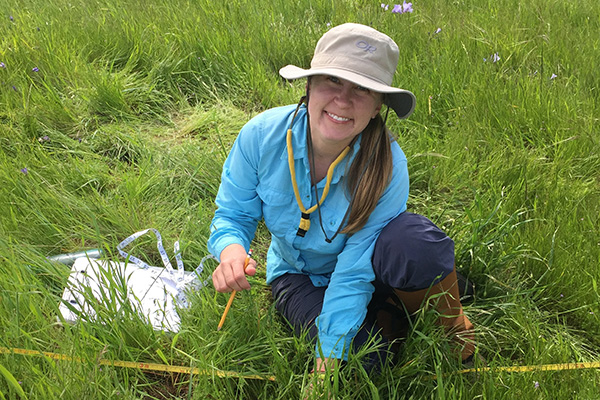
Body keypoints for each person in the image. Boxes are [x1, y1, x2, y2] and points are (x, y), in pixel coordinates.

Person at [208, 23, 475, 378]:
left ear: (378, 106)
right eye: (333, 81)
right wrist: (231, 251)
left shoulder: (389, 164)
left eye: (362, 89)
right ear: (309, 85)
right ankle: (403, 306)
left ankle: (452, 326)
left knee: (416, 243)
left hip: (364, 266)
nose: (343, 100)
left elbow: (354, 271)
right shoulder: (258, 136)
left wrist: (327, 355)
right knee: (364, 365)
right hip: (299, 275)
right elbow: (232, 214)